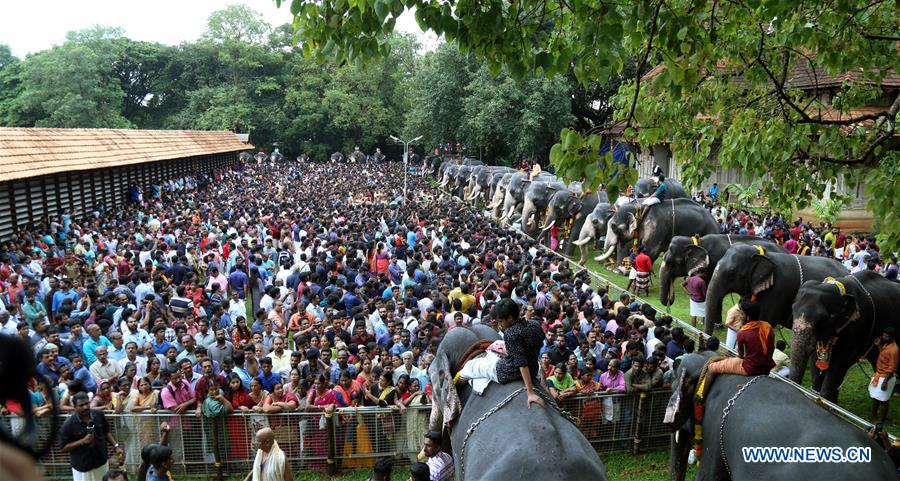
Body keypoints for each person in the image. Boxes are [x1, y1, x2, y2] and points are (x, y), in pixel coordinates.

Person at [704, 299, 774, 382]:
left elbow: (740, 356)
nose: (740, 316)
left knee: (712, 367)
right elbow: (771, 348)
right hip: (767, 367)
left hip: (750, 368)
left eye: (742, 314)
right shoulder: (767, 326)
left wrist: (728, 358)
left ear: (748, 317)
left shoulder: (742, 332)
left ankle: (700, 391)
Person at [60, 392, 124, 481]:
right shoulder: (68, 425)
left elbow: (106, 432)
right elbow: (63, 447)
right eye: (81, 405)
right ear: (75, 407)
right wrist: (82, 441)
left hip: (101, 462)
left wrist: (116, 446)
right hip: (83, 466)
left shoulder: (99, 415)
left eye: (87, 403)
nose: (85, 407)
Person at [870, 328, 898, 425]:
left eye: (887, 336)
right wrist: (878, 346)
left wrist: (885, 382)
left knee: (884, 400)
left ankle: (881, 420)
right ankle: (873, 417)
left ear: (892, 338)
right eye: (884, 335)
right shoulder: (886, 345)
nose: (884, 337)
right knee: (875, 397)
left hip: (886, 378)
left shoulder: (894, 350)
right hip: (879, 375)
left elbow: (892, 368)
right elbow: (883, 354)